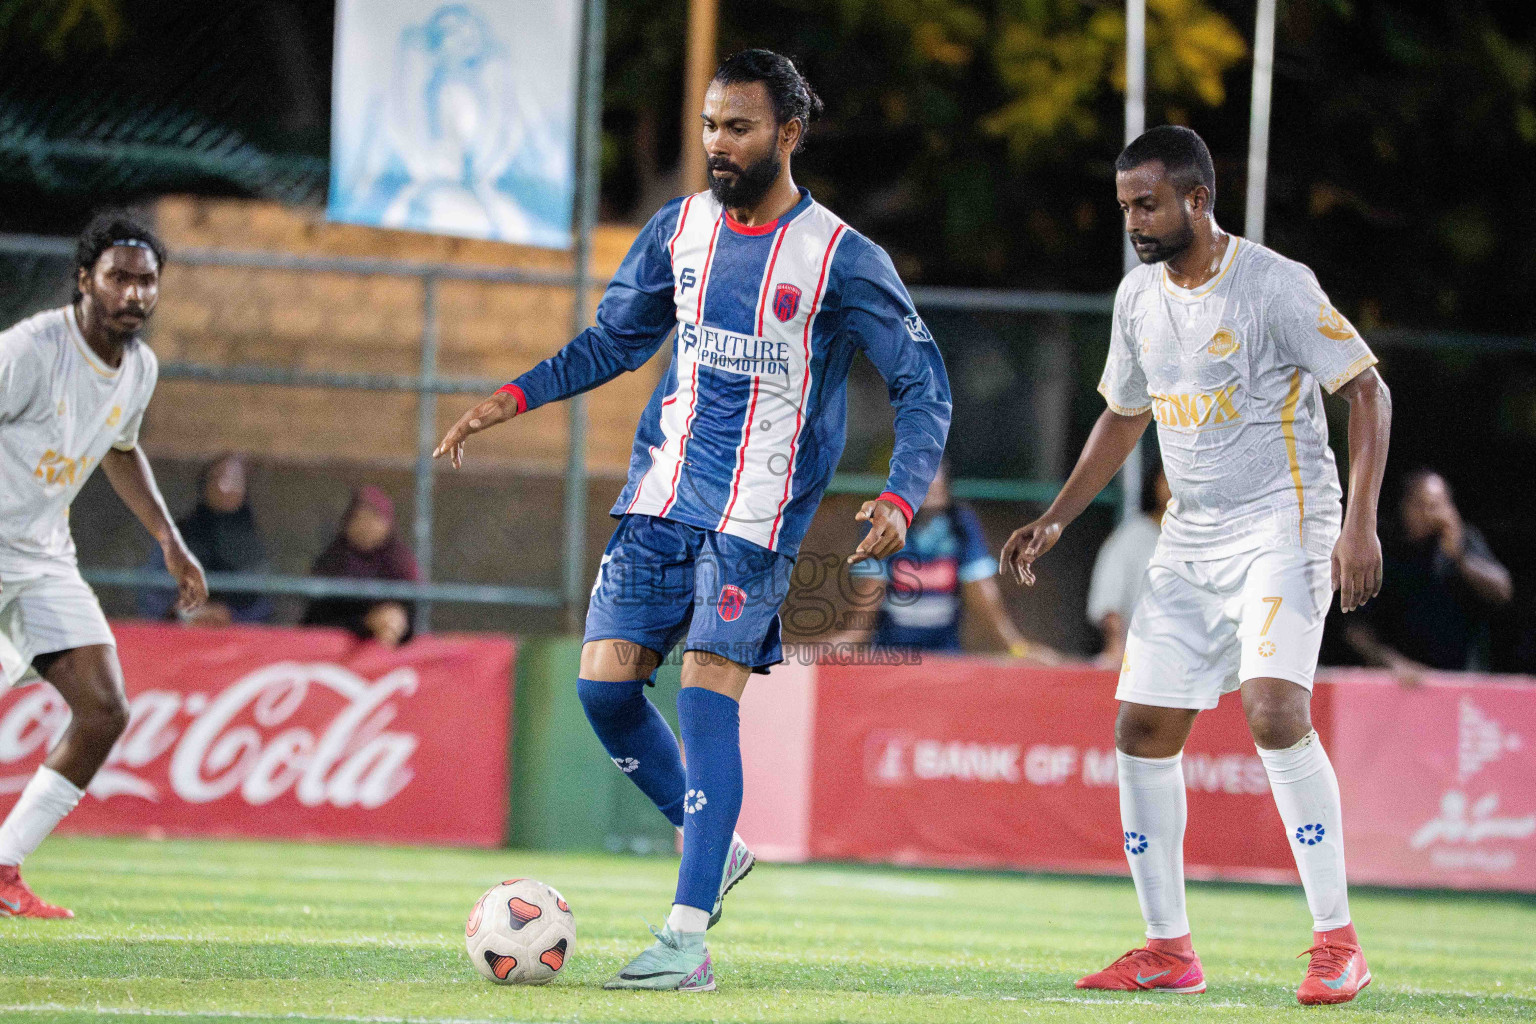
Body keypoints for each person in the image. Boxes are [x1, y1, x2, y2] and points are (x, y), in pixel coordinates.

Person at [433, 49, 950, 992]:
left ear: (789, 134)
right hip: (659, 497)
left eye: (738, 126)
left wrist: (900, 492)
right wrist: (514, 396)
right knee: (602, 691)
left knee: (707, 693)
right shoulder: (678, 230)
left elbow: (924, 386)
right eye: (710, 125)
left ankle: (685, 937)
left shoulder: (840, 257)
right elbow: (614, 341)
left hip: (757, 515)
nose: (718, 143)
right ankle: (716, 844)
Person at [1000, 126, 1391, 1005]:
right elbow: (1124, 414)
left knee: (1273, 706)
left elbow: (1368, 389)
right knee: (1140, 727)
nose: (1134, 220)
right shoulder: (1138, 297)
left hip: (1285, 525)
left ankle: (1338, 941)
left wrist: (1358, 527)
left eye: (1147, 204)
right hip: (1191, 536)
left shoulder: (1274, 285)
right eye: (1125, 206)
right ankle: (1168, 951)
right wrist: (1058, 518)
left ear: (1197, 200)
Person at [0, 212, 208, 917]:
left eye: (147, 281)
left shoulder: (139, 368)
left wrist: (169, 540)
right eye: (119, 277)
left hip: (42, 556)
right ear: (84, 280)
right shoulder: (32, 349)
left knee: (104, 710)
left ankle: (2, 869)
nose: (135, 294)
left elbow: (120, 446)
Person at [840, 458, 1060, 662]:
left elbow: (984, 599)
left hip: (945, 658)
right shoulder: (879, 524)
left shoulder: (961, 524)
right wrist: (838, 645)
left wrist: (1017, 649)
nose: (931, 483)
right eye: (921, 476)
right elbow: (863, 612)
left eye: (937, 475)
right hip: (890, 657)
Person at [1344, 468, 1511, 676]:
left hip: (1463, 681)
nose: (1427, 514)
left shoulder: (1464, 542)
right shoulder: (1387, 551)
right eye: (1419, 505)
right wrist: (1393, 664)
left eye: (1434, 506)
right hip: (1403, 684)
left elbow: (1502, 591)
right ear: (1404, 506)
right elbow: (1357, 629)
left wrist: (1459, 557)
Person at [138, 453, 274, 625]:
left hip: (238, 640)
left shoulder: (253, 542)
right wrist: (184, 614)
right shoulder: (179, 534)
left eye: (234, 480)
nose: (224, 487)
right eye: (217, 478)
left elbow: (263, 605)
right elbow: (152, 593)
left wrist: (230, 616)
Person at [300, 486, 419, 648]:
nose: (366, 526)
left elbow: (411, 621)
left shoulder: (399, 564)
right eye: (359, 518)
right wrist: (367, 623)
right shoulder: (332, 562)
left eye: (375, 518)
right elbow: (317, 621)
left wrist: (393, 622)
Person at [1086, 464, 1170, 667]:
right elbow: (1108, 600)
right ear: (1155, 483)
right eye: (1168, 478)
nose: (1176, 487)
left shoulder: (1213, 540)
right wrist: (1115, 647)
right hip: (1139, 659)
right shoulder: (1132, 536)